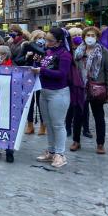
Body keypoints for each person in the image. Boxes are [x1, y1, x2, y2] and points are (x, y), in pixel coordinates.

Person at [70, 26, 108, 155]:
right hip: (80, 87)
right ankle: (76, 141)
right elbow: (73, 69)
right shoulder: (78, 51)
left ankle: (100, 144)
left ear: (97, 37)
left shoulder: (104, 51)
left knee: (99, 117)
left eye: (93, 35)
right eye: (88, 35)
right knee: (78, 115)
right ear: (84, 37)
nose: (90, 37)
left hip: (97, 88)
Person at [32, 27, 72, 168]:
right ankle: (51, 150)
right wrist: (37, 63)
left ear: (59, 41)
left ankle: (60, 154)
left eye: (50, 40)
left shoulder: (65, 54)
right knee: (48, 124)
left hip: (58, 92)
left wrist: (42, 70)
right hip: (45, 92)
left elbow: (62, 74)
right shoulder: (48, 52)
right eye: (46, 39)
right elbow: (43, 69)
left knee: (58, 124)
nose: (46, 42)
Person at [18, 30, 46, 135]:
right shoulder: (27, 47)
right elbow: (18, 60)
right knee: (29, 102)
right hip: (28, 77)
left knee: (40, 102)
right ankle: (30, 125)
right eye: (39, 38)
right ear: (33, 39)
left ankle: (43, 126)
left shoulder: (46, 48)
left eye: (43, 37)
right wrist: (26, 56)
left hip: (41, 77)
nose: (41, 40)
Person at [65, 27, 90, 138]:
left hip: (84, 81)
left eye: (79, 35)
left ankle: (86, 128)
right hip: (72, 81)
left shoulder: (87, 49)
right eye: (74, 36)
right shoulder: (68, 50)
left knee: (85, 106)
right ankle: (68, 127)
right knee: (71, 106)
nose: (77, 38)